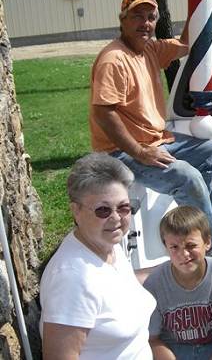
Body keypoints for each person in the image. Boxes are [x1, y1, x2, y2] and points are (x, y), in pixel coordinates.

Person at [89, 0, 212, 271]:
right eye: (137, 16)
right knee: (188, 177)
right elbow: (102, 113)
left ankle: (205, 230)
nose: (145, 23)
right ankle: (211, 252)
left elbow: (187, 42)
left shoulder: (150, 50)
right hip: (121, 151)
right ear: (122, 20)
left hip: (156, 140)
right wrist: (139, 151)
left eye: (150, 17)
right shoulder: (113, 59)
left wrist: (200, 0)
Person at [39, 153, 156, 359]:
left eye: (124, 207)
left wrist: (171, 269)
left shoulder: (107, 245)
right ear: (76, 211)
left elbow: (114, 287)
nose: (116, 218)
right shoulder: (72, 279)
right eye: (103, 210)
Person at [144, 206, 212, 360]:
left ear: (207, 242)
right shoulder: (154, 285)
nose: (184, 254)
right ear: (165, 246)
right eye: (174, 247)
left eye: (191, 245)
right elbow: (153, 339)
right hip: (172, 348)